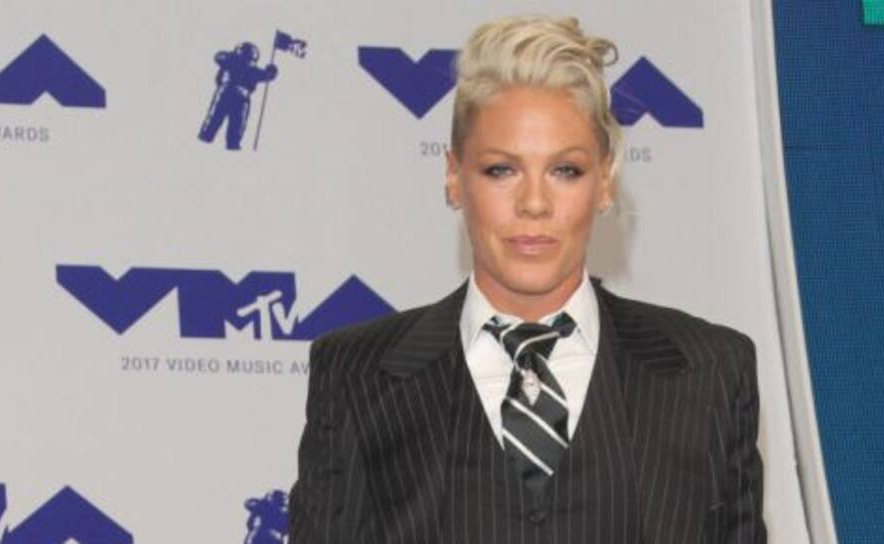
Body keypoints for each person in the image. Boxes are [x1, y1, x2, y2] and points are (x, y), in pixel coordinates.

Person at [289, 15, 764, 543]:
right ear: (454, 176)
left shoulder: (709, 372)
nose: (534, 203)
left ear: (605, 181)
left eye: (565, 170)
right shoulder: (356, 376)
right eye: (501, 169)